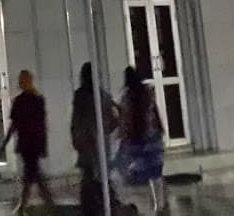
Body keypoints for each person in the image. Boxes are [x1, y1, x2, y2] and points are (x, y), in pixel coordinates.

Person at [70, 63, 124, 216]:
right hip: (99, 143)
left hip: (87, 142)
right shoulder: (103, 96)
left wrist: (76, 136)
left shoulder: (80, 96)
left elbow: (76, 120)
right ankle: (108, 205)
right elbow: (115, 119)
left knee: (90, 178)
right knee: (100, 178)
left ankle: (96, 207)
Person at [1, 69, 55, 213]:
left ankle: (30, 205)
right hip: (35, 143)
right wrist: (44, 146)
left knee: (32, 174)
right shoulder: (38, 100)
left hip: (25, 144)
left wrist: (5, 143)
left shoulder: (19, 101)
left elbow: (14, 125)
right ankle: (44, 203)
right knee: (32, 174)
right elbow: (42, 125)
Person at [115, 65, 166, 214]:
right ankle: (159, 205)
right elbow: (154, 113)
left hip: (137, 142)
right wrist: (160, 130)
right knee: (156, 175)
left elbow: (125, 121)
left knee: (138, 176)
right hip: (153, 139)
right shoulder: (147, 93)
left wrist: (121, 136)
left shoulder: (126, 97)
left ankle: (146, 208)